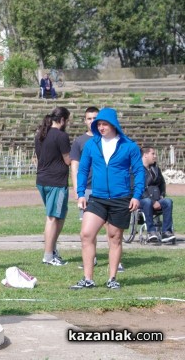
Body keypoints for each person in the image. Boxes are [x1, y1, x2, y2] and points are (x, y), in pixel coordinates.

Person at [71, 108, 145, 290]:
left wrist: (137, 196)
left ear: (113, 124)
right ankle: (88, 279)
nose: (101, 127)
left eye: (104, 124)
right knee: (86, 234)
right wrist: (80, 193)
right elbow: (82, 170)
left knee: (114, 237)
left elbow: (139, 172)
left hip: (121, 199)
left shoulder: (129, 146)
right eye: (99, 124)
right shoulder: (91, 145)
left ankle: (112, 278)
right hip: (97, 198)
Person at [70, 107, 124, 272]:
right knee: (88, 231)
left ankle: (115, 262)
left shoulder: (115, 141)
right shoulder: (80, 142)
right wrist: (77, 191)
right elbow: (76, 167)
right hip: (88, 190)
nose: (93, 121)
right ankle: (90, 260)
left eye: (96, 118)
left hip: (110, 192)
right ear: (85, 121)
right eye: (89, 118)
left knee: (111, 229)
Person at [35, 107, 71, 266]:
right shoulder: (61, 136)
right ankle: (48, 256)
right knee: (53, 217)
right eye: (67, 120)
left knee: (59, 215)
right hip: (56, 182)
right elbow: (68, 160)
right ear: (62, 120)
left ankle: (52, 249)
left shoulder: (40, 134)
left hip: (42, 180)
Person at [140, 146, 175, 244]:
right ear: (145, 155)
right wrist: (152, 201)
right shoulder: (136, 169)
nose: (155, 156)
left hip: (156, 198)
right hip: (141, 200)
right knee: (147, 201)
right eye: (153, 154)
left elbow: (162, 183)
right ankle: (151, 232)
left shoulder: (156, 169)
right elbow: (136, 188)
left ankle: (166, 232)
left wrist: (162, 195)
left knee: (168, 201)